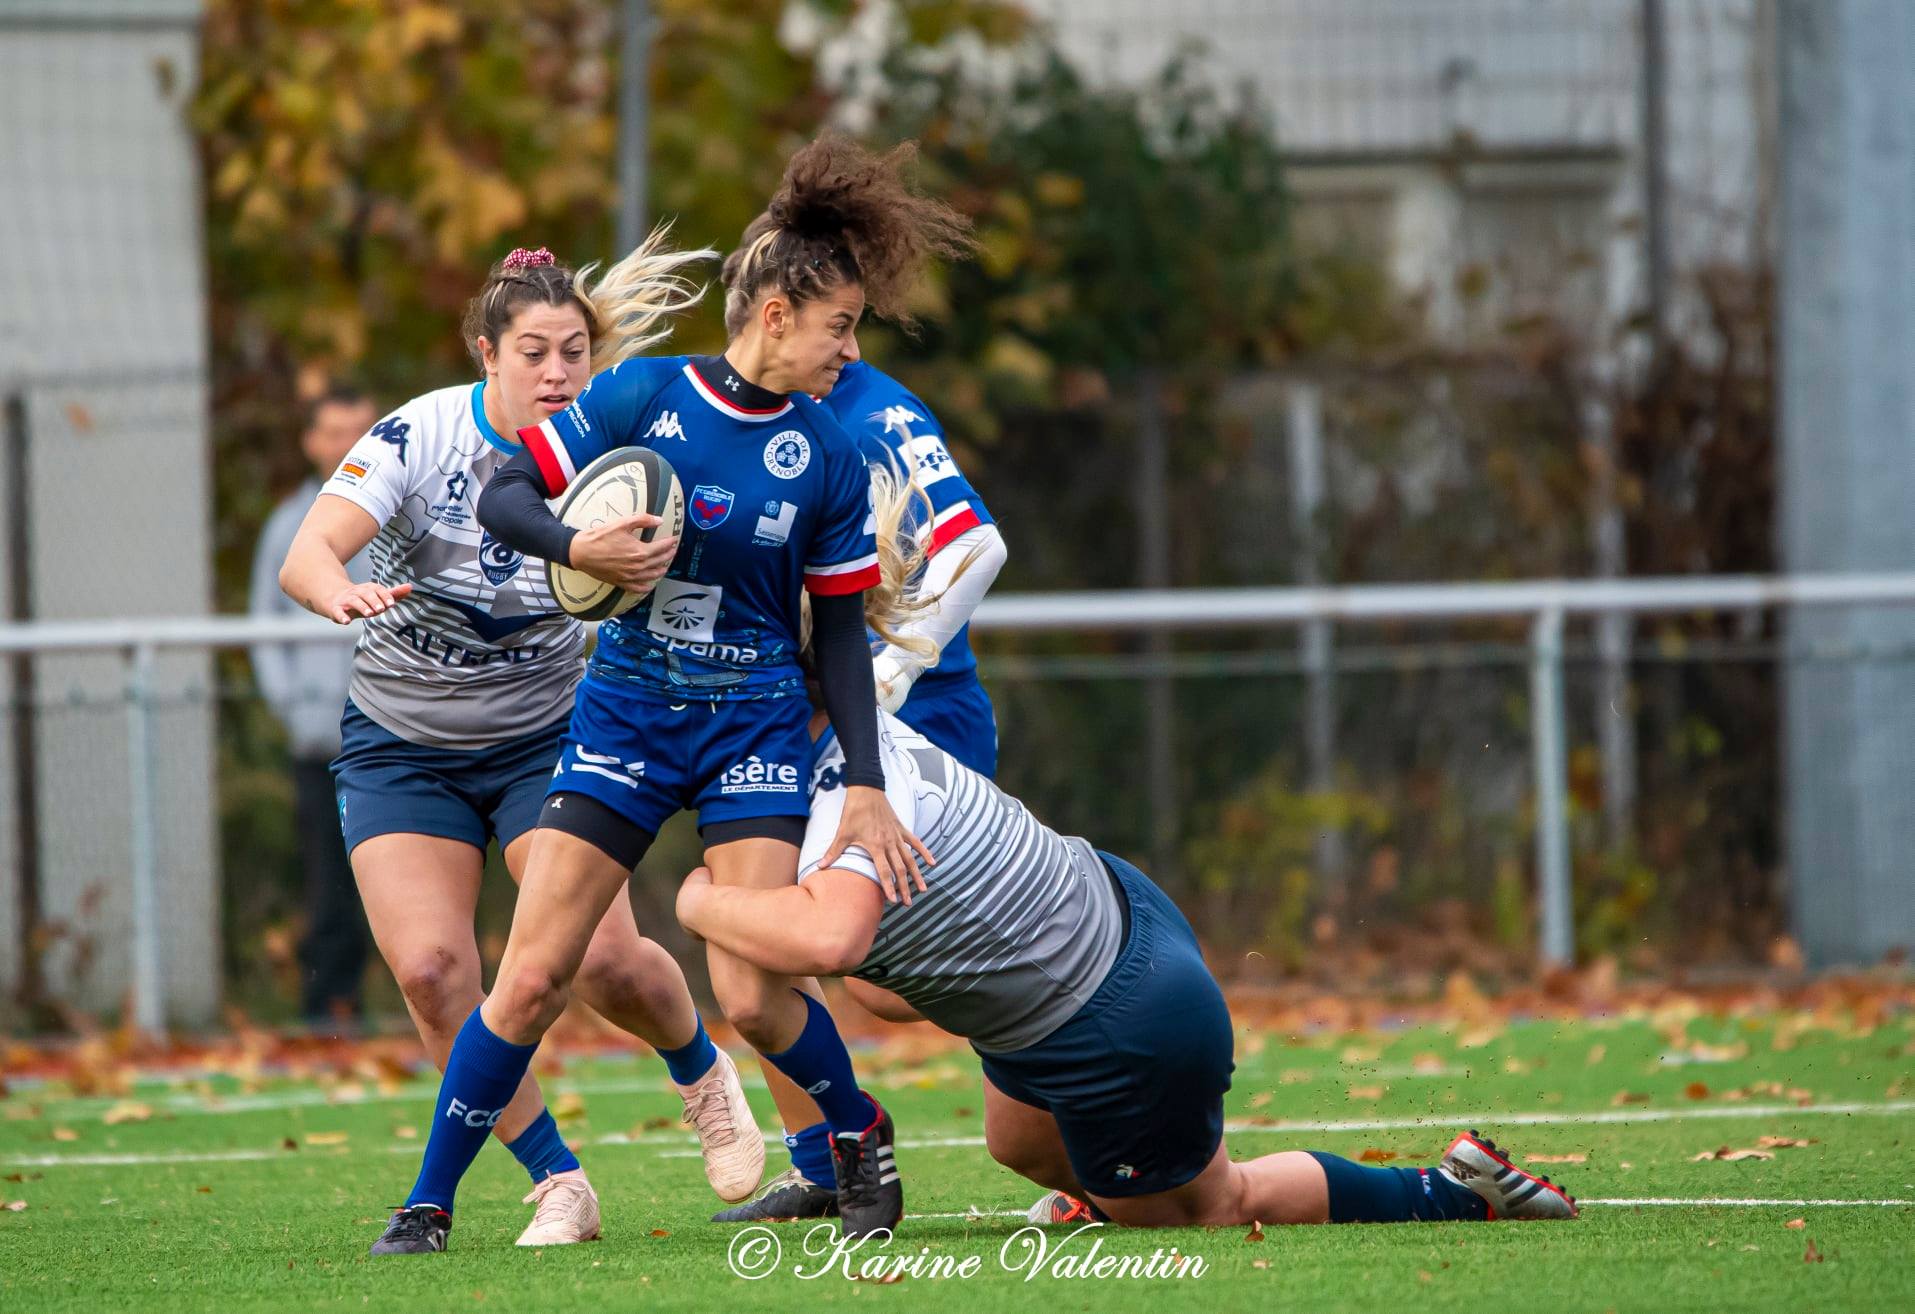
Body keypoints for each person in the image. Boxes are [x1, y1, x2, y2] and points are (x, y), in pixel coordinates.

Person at [376, 135, 974, 1256]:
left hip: (752, 723)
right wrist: (580, 547)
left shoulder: (829, 455)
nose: (850, 351)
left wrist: (865, 786)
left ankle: (858, 1130)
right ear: (780, 312)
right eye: (840, 324)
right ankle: (428, 1203)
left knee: (750, 995)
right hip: (628, 716)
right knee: (535, 972)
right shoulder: (644, 395)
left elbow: (840, 637)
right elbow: (507, 498)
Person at [280, 233, 764, 1254]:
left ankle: (702, 1075)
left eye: (574, 352)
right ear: (484, 354)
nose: (556, 372)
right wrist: (344, 591)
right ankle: (557, 1183)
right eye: (534, 351)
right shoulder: (419, 437)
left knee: (602, 960)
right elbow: (307, 554)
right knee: (429, 969)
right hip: (402, 743)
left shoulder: (621, 448)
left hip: (549, 736)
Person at [677, 705, 1581, 1233]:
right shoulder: (847, 726)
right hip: (1104, 913)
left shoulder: (831, 797)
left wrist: (697, 902)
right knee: (1022, 1145)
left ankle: (1445, 1190)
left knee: (1215, 1206)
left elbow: (829, 947)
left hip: (1114, 1019)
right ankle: (1110, 1185)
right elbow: (874, 983)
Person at [711, 365, 1007, 1226]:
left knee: (880, 979)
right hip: (778, 715)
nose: (838, 343)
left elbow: (974, 546)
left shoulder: (873, 410)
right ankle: (825, 1165)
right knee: (763, 940)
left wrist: (891, 671)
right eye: (829, 322)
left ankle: (1079, 1016)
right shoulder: (720, 414)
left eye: (845, 323)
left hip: (910, 720)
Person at [249, 385, 380, 1025]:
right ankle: (330, 1010)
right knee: (328, 884)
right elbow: (263, 629)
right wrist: (293, 708)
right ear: (310, 441)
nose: (347, 442)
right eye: (334, 430)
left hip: (397, 737)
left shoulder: (399, 510)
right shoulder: (287, 527)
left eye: (361, 426)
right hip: (322, 741)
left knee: (401, 888)